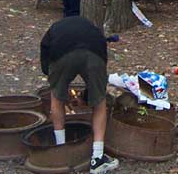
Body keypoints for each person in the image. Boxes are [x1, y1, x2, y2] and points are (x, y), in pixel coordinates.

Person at [40, 16, 119, 173]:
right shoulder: (94, 31)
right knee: (99, 103)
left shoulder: (55, 28)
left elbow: (45, 55)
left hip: (61, 52)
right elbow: (102, 62)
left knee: (56, 97)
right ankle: (97, 159)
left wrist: (53, 79)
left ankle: (60, 150)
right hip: (93, 53)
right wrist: (92, 93)